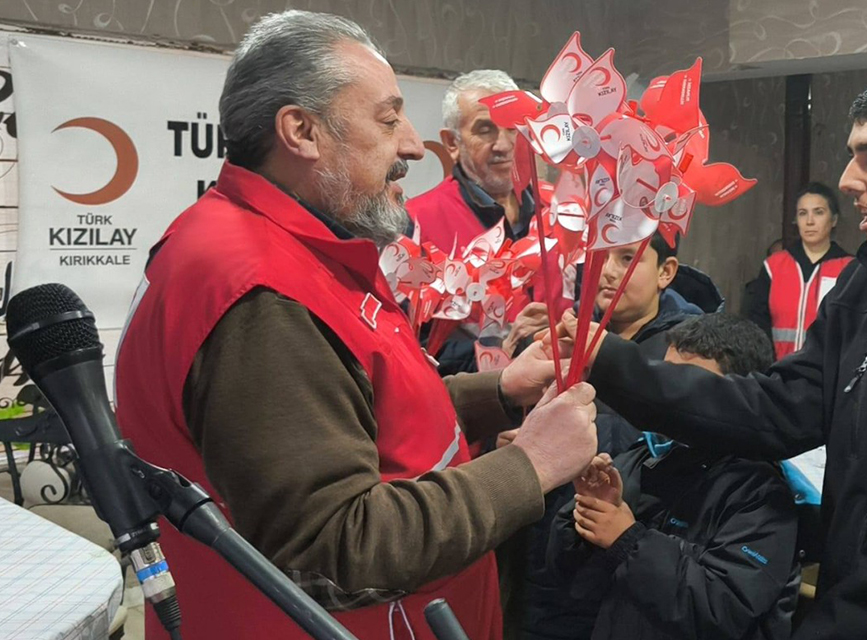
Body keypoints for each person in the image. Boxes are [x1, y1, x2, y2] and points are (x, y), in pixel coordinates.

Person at [114, 11, 597, 640]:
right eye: (389, 119)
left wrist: (499, 392)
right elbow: (336, 547)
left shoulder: (280, 251)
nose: (414, 147)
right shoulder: (262, 295)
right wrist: (530, 465)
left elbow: (354, 413)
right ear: (302, 131)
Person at [554, 59, 867, 639]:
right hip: (844, 592)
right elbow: (775, 409)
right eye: (853, 155)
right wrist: (609, 360)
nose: (848, 180)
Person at [550, 313, 800, 640]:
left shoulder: (760, 493)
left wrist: (628, 541)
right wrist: (587, 513)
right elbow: (569, 578)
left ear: (739, 397)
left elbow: (723, 609)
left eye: (687, 387)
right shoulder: (647, 454)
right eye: (665, 382)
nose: (670, 401)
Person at [518, 233, 704, 640]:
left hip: (627, 562)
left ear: (666, 272)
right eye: (601, 258)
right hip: (548, 552)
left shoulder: (689, 352)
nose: (609, 272)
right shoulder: (563, 334)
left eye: (628, 258)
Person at [406, 69, 548, 375]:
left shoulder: (560, 211)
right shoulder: (416, 222)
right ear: (452, 143)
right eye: (485, 130)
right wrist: (503, 349)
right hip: (474, 398)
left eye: (513, 128)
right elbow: (412, 343)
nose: (504, 145)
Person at [744, 183, 853, 359]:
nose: (810, 221)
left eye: (818, 212)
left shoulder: (849, 268)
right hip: (777, 369)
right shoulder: (774, 266)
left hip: (826, 371)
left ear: (833, 220)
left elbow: (853, 329)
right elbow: (757, 324)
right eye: (803, 213)